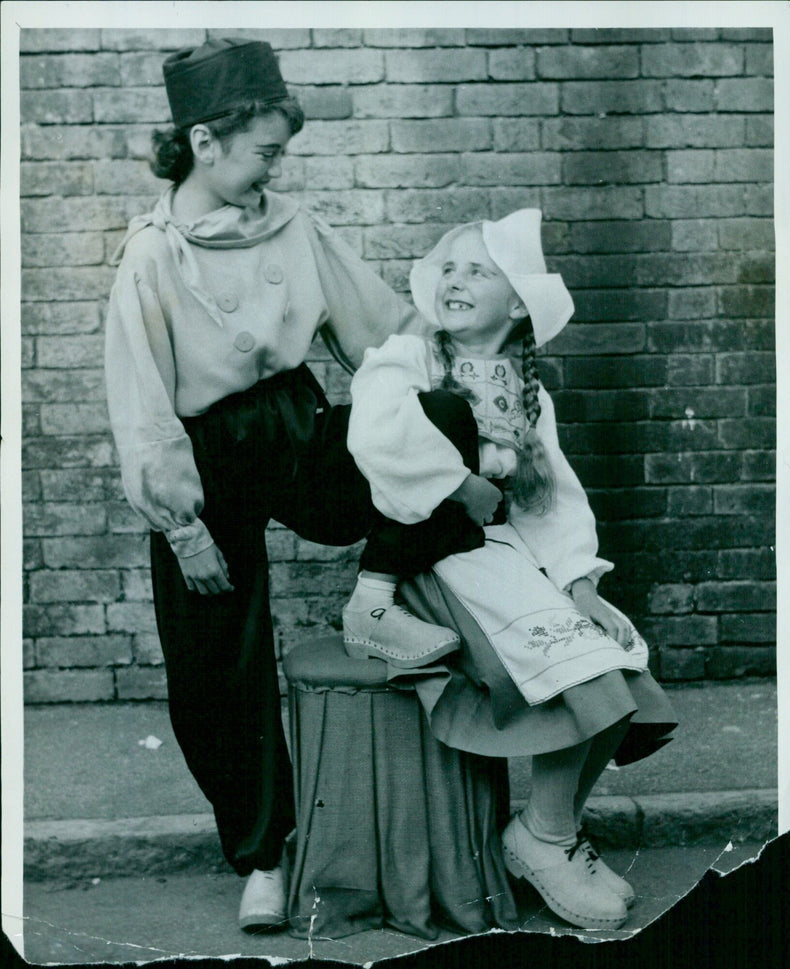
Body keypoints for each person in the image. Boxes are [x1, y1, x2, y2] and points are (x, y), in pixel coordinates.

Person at [103, 37, 467, 933]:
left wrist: (474, 354)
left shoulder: (294, 225)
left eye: (280, 154)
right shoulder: (151, 257)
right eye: (264, 150)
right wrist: (184, 528)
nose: (275, 168)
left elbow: (383, 331)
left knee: (449, 422)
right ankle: (262, 854)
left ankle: (376, 602)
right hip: (204, 457)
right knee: (215, 651)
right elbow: (143, 403)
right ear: (204, 141)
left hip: (297, 432)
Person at [345, 209, 678, 931]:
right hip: (438, 559)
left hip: (505, 556)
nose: (458, 280)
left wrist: (579, 581)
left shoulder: (531, 394)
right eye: (451, 268)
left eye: (480, 270)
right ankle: (547, 843)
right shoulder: (413, 357)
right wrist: (456, 482)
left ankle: (548, 830)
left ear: (518, 301)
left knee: (614, 661)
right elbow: (374, 433)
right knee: (579, 671)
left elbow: (551, 500)